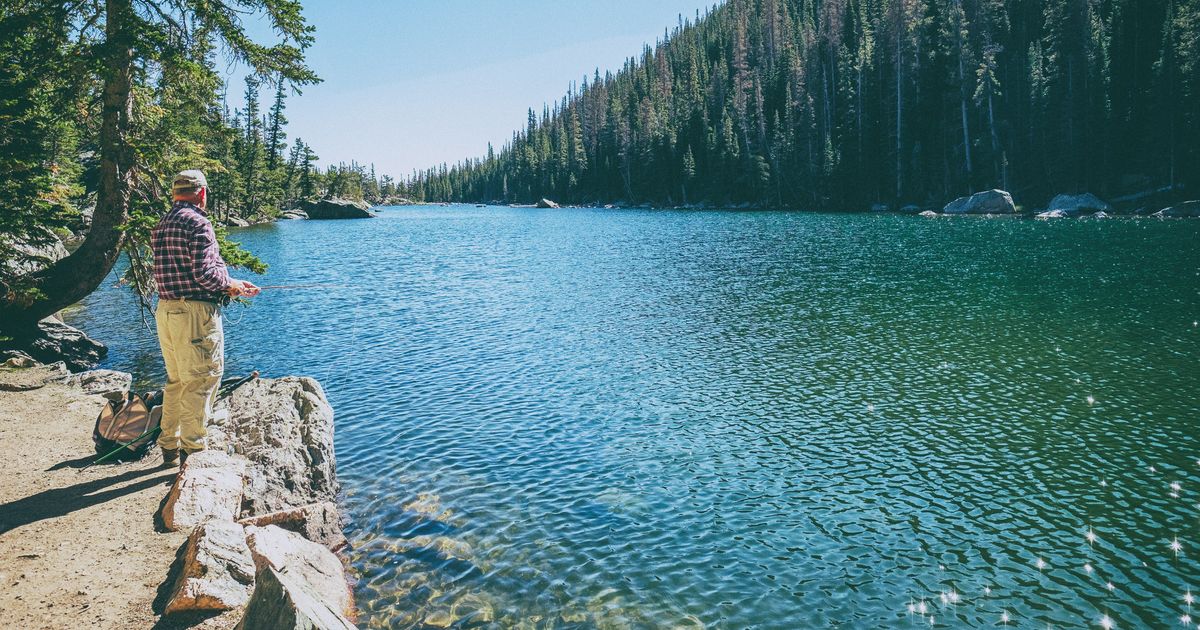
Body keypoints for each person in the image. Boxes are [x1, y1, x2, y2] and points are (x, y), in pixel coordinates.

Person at [151, 169, 260, 466]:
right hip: (195, 314)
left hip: (166, 309)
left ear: (176, 193)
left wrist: (232, 281)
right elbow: (204, 274)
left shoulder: (162, 224)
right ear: (202, 193)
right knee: (202, 380)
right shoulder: (198, 222)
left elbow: (189, 272)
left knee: (176, 381)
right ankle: (194, 453)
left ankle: (169, 447)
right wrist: (231, 286)